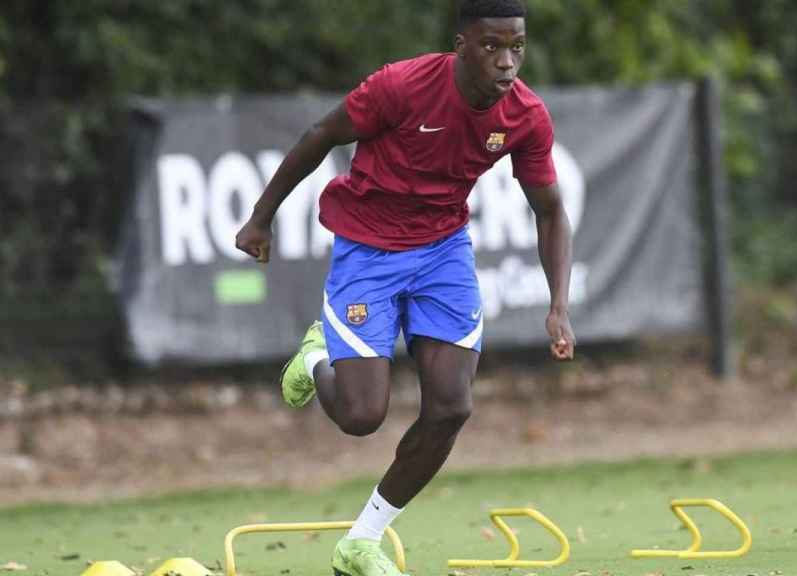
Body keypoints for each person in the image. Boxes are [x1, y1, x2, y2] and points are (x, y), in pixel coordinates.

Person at [235, 1, 574, 574]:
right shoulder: (403, 85)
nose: (507, 63)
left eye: (516, 47)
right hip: (368, 247)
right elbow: (320, 135)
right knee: (362, 415)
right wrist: (261, 218)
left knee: (451, 406)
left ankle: (361, 542)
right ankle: (317, 354)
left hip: (443, 253)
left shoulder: (526, 116)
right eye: (492, 46)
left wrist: (558, 306)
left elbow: (551, 212)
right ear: (461, 45)